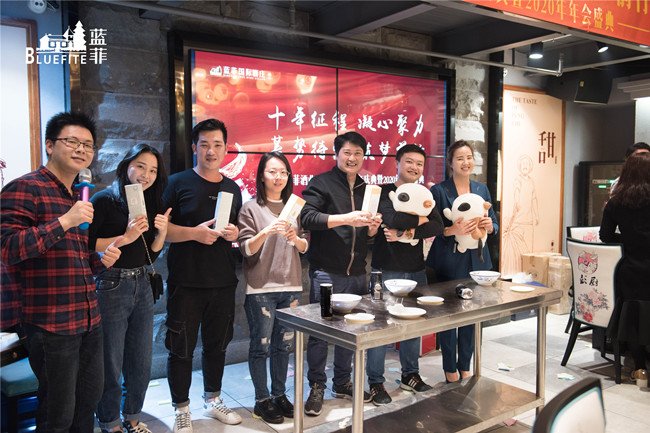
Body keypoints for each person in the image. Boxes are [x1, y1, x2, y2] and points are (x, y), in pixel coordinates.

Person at [0, 112, 122, 433]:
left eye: (88, 145)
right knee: (58, 415)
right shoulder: (25, 188)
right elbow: (8, 249)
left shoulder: (76, 195)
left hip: (88, 319)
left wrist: (101, 260)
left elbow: (75, 258)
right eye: (72, 141)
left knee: (87, 404)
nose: (81, 149)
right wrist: (65, 221)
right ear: (50, 145)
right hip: (51, 323)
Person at [162, 118, 243, 432]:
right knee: (180, 348)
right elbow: (160, 231)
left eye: (217, 145)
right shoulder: (177, 183)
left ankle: (213, 399)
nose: (211, 151)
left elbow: (233, 230)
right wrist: (193, 234)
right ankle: (181, 408)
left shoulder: (232, 187)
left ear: (225, 148)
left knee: (217, 345)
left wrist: (234, 233)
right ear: (194, 147)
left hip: (222, 280)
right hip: (186, 282)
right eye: (205, 144)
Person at [89, 143, 170, 433]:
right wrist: (125, 236)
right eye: (140, 166)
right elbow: (87, 245)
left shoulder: (151, 202)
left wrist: (161, 232)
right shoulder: (104, 200)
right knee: (110, 361)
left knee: (140, 360)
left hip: (142, 282)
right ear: (126, 167)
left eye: (153, 170)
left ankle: (133, 418)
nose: (146, 175)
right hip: (111, 283)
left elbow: (151, 254)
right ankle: (110, 422)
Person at [300, 131, 382, 416]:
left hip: (357, 274)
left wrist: (371, 230)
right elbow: (307, 218)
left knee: (351, 330)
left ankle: (342, 382)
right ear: (337, 154)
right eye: (347, 152)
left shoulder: (366, 189)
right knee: (320, 332)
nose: (352, 158)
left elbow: (365, 236)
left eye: (358, 153)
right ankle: (316, 386)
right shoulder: (321, 183)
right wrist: (346, 218)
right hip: (326, 273)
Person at [366, 144, 444, 405]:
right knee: (380, 327)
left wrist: (406, 233)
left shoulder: (424, 194)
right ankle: (376, 382)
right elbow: (391, 218)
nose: (414, 167)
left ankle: (410, 375)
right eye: (409, 161)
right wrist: (419, 220)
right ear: (397, 163)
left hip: (416, 269)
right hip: (386, 268)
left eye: (419, 163)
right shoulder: (384, 192)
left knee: (414, 325)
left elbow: (437, 226)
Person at [237, 152, 309, 424]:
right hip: (261, 289)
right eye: (272, 172)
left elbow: (304, 246)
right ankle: (261, 399)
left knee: (284, 346)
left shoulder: (295, 206)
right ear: (262, 176)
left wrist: (294, 238)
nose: (278, 177)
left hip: (291, 286)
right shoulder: (250, 208)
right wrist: (266, 232)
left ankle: (279, 394)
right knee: (261, 346)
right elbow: (245, 248)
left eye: (283, 172)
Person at [425, 140, 498, 384]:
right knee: (449, 317)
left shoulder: (482, 189)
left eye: (469, 157)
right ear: (450, 163)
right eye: (460, 158)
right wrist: (451, 229)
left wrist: (490, 225)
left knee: (472, 317)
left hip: (478, 261)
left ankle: (465, 364)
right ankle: (449, 367)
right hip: (448, 261)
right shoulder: (440, 191)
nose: (465, 162)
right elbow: (432, 227)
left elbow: (494, 223)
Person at [600, 152, 650, 389]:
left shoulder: (616, 202)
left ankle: (640, 369)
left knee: (634, 319)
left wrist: (628, 239)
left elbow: (605, 236)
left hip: (631, 270)